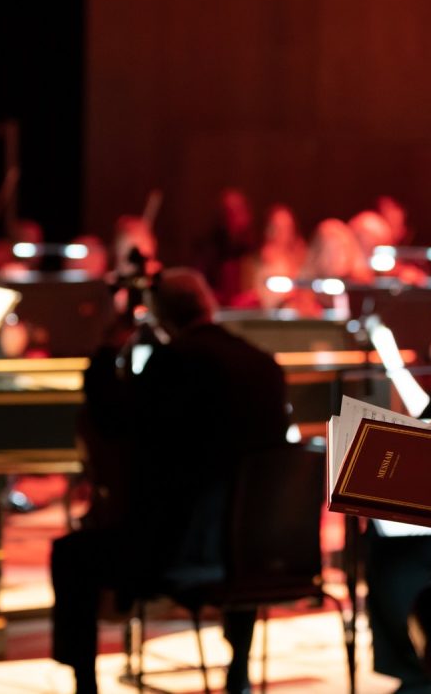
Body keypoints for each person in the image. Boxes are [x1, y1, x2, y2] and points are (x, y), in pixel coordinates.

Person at [51, 268, 288, 694]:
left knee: (72, 555)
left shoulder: (175, 362)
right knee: (238, 510)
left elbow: (113, 418)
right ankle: (239, 668)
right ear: (209, 304)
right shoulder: (265, 365)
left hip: (182, 550)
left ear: (161, 319)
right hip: (264, 551)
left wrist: (108, 347)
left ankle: (84, 684)